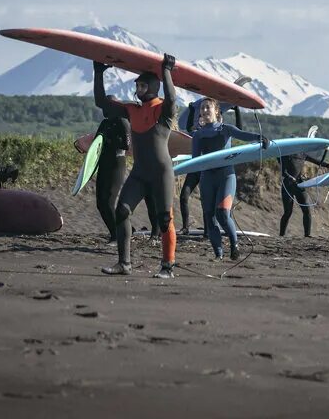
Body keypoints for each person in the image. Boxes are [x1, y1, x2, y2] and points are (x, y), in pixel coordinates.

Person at [94, 55, 178, 278]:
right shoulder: (133, 110)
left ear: (153, 87)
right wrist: (98, 72)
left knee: (164, 220)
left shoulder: (162, 110)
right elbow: (101, 102)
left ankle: (167, 267)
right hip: (140, 173)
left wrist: (166, 70)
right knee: (122, 211)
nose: (138, 89)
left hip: (161, 173)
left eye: (142, 86)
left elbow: (172, 99)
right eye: (137, 86)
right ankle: (124, 264)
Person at [190, 97, 269, 260]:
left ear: (216, 111)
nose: (204, 110)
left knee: (223, 214)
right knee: (210, 217)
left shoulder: (226, 129)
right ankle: (218, 254)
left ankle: (234, 245)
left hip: (226, 175)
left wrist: (260, 138)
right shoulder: (198, 135)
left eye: (208, 107)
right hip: (207, 177)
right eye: (202, 108)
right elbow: (195, 160)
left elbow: (243, 135)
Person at [178, 99, 243, 236]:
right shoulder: (200, 132)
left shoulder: (224, 131)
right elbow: (189, 128)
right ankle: (185, 227)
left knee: (207, 202)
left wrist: (237, 111)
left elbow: (239, 130)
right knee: (184, 196)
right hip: (197, 169)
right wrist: (191, 110)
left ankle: (209, 231)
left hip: (211, 170)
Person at [88, 96, 131, 244]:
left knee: (109, 201)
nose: (104, 110)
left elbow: (126, 144)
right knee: (100, 203)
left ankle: (117, 236)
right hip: (104, 164)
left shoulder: (122, 121)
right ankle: (117, 232)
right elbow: (97, 144)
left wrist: (109, 140)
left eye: (107, 107)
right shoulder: (105, 123)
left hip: (116, 164)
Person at [278, 148, 329, 237]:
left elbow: (317, 161)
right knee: (288, 212)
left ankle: (307, 235)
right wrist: (290, 177)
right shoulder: (285, 154)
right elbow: (283, 172)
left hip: (299, 184)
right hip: (288, 185)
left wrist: (327, 165)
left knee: (307, 210)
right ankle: (281, 235)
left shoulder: (302, 154)